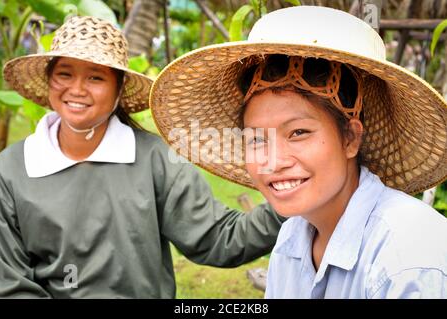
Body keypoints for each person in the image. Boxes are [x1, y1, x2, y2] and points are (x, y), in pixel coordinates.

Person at [149, 6, 447, 298]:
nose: (273, 162)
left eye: (299, 133)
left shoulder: (409, 252)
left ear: (350, 139)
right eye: (257, 139)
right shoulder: (292, 237)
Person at [0, 16, 285, 298]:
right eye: (64, 74)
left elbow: (218, 238)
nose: (77, 89)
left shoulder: (154, 159)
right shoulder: (10, 171)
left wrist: (287, 205)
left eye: (95, 77)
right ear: (49, 81)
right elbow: (9, 282)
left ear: (119, 89)